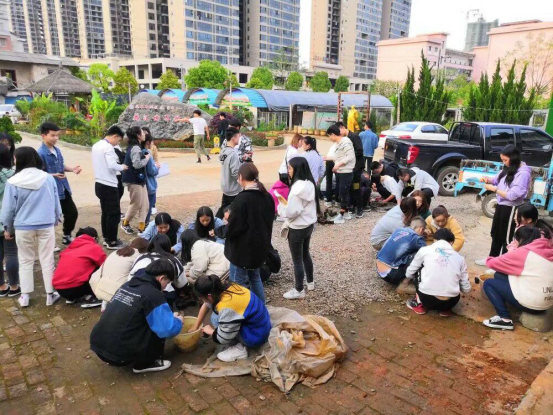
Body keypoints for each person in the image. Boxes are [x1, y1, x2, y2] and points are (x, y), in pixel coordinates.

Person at [90, 258, 184, 373]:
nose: (165, 287)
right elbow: (167, 330)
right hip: (119, 356)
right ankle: (146, 363)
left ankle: (113, 353)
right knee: (158, 323)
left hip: (98, 346)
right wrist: (178, 321)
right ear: (161, 278)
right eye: (167, 283)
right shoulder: (153, 295)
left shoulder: (127, 285)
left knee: (143, 316)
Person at [0, 147, 62, 307]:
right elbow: (55, 200)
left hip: (23, 226)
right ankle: (50, 294)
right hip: (46, 224)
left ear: (19, 160)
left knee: (25, 260)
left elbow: (8, 209)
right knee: (47, 259)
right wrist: (57, 217)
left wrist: (7, 228)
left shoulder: (12, 181)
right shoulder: (48, 178)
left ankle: (25, 296)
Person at [483, 226, 553, 330]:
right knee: (499, 275)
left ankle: (505, 319)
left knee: (489, 283)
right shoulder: (548, 249)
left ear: (521, 240)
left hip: (532, 305)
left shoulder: (524, 252)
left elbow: (491, 263)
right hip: (547, 303)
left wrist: (512, 250)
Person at [191, 275, 271, 362]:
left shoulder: (227, 307)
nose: (203, 301)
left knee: (215, 320)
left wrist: (210, 331)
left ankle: (241, 349)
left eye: (202, 298)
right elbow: (206, 304)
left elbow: (223, 338)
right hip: (261, 322)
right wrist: (196, 326)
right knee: (215, 316)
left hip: (256, 335)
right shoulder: (229, 287)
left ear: (209, 296)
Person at [224, 163, 274, 304]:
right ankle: (261, 309)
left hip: (242, 251)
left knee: (237, 283)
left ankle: (240, 312)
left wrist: (223, 226)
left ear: (241, 177)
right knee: (255, 278)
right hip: (260, 247)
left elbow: (235, 227)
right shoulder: (266, 196)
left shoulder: (242, 199)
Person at [476, 145, 532, 264]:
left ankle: (502, 263)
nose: (504, 163)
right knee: (495, 234)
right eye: (502, 160)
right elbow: (496, 179)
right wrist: (487, 179)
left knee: (506, 238)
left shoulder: (523, 173)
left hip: (511, 208)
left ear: (514, 158)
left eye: (505, 160)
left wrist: (494, 189)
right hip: (501, 205)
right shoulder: (509, 167)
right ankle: (492, 259)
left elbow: (512, 195)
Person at [277, 157, 319, 300]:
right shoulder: (310, 184)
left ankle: (299, 289)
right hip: (308, 225)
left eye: (290, 168)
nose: (288, 171)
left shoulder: (296, 189)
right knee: (305, 253)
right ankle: (310, 282)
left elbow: (291, 212)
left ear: (297, 169)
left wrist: (281, 207)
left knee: (297, 260)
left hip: (296, 228)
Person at [405, 229, 471, 317]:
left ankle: (419, 305)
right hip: (451, 302)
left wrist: (409, 278)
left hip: (427, 299)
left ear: (434, 240)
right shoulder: (459, 258)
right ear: (451, 242)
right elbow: (466, 289)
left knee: (418, 268)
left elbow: (410, 272)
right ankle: (445, 310)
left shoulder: (424, 250)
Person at [37, 122, 81, 246]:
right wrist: (52, 175)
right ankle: (49, 244)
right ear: (43, 136)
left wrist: (72, 169)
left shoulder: (57, 150)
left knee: (72, 213)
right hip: (49, 190)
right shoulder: (40, 153)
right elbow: (37, 173)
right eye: (53, 135)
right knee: (50, 217)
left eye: (57, 135)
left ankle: (67, 235)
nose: (56, 138)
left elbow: (60, 165)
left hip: (63, 188)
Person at [92, 125, 127, 250]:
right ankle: (112, 241)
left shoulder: (96, 145)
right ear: (115, 136)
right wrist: (123, 167)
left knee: (105, 212)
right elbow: (112, 165)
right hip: (109, 184)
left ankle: (107, 238)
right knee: (114, 214)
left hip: (99, 183)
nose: (117, 143)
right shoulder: (108, 147)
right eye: (118, 140)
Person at [89, 238, 149, 311]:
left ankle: (104, 305)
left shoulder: (117, 252)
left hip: (97, 285)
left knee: (113, 274)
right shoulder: (139, 256)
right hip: (116, 293)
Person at [52, 227, 106, 308]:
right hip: (76, 288)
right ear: (94, 238)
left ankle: (71, 298)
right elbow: (105, 265)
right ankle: (90, 297)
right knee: (99, 268)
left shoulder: (68, 249)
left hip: (60, 289)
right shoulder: (93, 247)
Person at [130, 234, 187, 305]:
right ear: (168, 246)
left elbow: (131, 276)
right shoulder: (173, 259)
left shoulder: (140, 257)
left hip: (134, 291)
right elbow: (181, 284)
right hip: (161, 295)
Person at [376, 217, 427, 288]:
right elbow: (428, 252)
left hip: (379, 270)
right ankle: (406, 282)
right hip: (392, 274)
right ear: (421, 229)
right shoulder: (416, 238)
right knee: (420, 254)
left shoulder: (399, 230)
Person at [121, 126, 151, 234]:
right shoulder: (135, 148)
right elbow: (137, 164)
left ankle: (141, 227)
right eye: (142, 132)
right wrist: (147, 159)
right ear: (138, 135)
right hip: (133, 180)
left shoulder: (136, 146)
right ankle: (125, 223)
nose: (144, 134)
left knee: (145, 204)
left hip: (139, 180)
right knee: (136, 203)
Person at [325, 125, 355, 224]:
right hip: (341, 171)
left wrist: (338, 165)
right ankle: (345, 213)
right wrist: (327, 158)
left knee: (343, 193)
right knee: (343, 192)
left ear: (333, 134)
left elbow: (350, 156)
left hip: (346, 171)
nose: (330, 138)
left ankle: (341, 215)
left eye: (329, 136)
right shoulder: (338, 144)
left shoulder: (346, 142)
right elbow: (338, 156)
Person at [0, 144, 18, 297]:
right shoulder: (13, 175)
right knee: (11, 254)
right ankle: (13, 286)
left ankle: (2, 286)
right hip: (8, 221)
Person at [336, 122, 365, 218]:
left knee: (356, 187)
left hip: (357, 168)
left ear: (343, 128)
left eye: (339, 131)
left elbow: (360, 151)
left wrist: (349, 156)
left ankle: (360, 208)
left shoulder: (354, 137)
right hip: (350, 168)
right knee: (349, 188)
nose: (339, 134)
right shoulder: (344, 139)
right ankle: (351, 206)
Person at [216, 128, 242, 218]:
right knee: (235, 211)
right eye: (238, 137)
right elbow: (235, 173)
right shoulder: (233, 154)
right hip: (233, 188)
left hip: (225, 185)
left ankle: (214, 223)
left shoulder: (223, 151)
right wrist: (243, 183)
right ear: (233, 138)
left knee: (223, 207)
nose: (239, 139)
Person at [142, 133, 159, 224]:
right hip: (149, 183)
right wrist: (156, 168)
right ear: (148, 142)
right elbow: (151, 171)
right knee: (148, 204)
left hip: (142, 183)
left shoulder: (139, 151)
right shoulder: (147, 153)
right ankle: (146, 223)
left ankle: (142, 223)